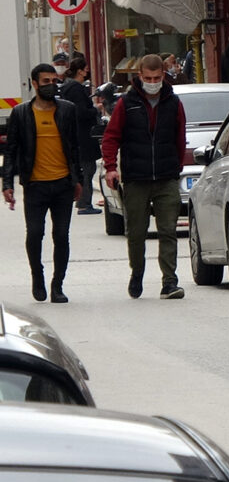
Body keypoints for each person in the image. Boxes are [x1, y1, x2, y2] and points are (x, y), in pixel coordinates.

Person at [100, 54, 187, 300]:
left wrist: (176, 166)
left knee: (168, 230)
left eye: (157, 78)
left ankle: (170, 282)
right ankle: (137, 273)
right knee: (136, 232)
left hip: (166, 177)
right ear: (139, 76)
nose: (152, 82)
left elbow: (179, 136)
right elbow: (111, 137)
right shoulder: (126, 103)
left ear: (163, 76)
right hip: (136, 179)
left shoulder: (173, 102)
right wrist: (110, 167)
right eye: (147, 78)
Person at [2, 63, 83, 303]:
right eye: (45, 82)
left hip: (62, 185)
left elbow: (74, 148)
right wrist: (7, 183)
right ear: (34, 84)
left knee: (61, 235)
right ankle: (37, 276)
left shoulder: (67, 110)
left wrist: (77, 180)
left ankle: (58, 285)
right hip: (35, 185)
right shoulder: (21, 113)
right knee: (35, 233)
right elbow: (11, 150)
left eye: (54, 81)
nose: (51, 86)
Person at [59, 54, 102, 216]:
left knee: (84, 168)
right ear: (80, 71)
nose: (87, 72)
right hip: (83, 135)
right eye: (86, 70)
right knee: (88, 169)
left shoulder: (67, 87)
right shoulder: (76, 89)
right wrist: (95, 109)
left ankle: (82, 201)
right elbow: (81, 112)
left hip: (76, 134)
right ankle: (84, 203)